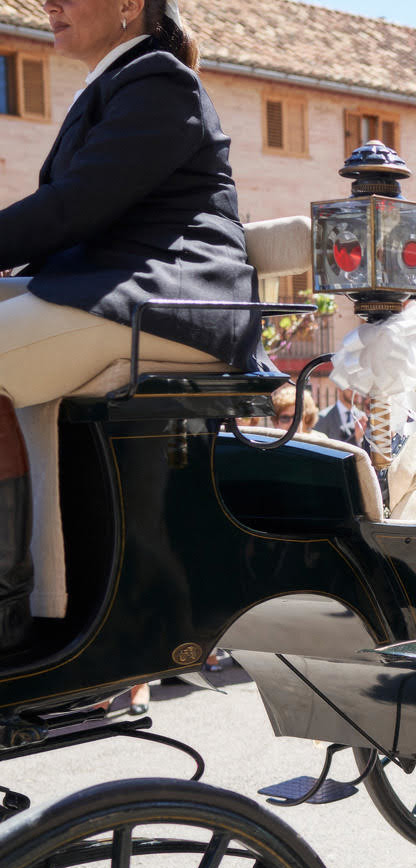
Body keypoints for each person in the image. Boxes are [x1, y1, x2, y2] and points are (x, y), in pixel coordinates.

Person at [0, 0, 261, 652]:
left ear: (127, 5)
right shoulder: (118, 85)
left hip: (163, 305)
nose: (48, 3)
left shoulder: (160, 81)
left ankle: (5, 612)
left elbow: (73, 208)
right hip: (113, 294)